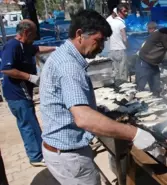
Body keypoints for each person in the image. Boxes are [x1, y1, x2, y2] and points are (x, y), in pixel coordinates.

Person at [40, 10, 155, 185]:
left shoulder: (61, 55)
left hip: (60, 150)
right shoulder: (69, 66)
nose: (102, 47)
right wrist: (135, 133)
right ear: (79, 34)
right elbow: (84, 119)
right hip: (69, 155)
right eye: (98, 40)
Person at [0, 19, 55, 167]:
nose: (36, 36)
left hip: (23, 93)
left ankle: (38, 152)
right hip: (16, 93)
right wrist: (30, 77)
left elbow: (37, 49)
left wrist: (57, 48)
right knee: (28, 124)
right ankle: (36, 156)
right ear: (26, 32)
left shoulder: (25, 45)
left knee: (30, 121)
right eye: (34, 33)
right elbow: (6, 69)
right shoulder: (12, 46)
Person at [137, 20, 167, 96]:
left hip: (154, 64)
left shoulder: (166, 33)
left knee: (156, 89)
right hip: (145, 62)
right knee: (140, 88)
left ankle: (156, 102)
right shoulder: (165, 35)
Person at [107, 4, 129, 81]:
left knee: (115, 72)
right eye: (124, 11)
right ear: (119, 12)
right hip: (120, 50)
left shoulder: (111, 22)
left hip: (112, 50)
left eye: (127, 11)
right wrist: (127, 46)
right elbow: (124, 38)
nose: (126, 13)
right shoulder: (121, 23)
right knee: (122, 72)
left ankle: (117, 89)